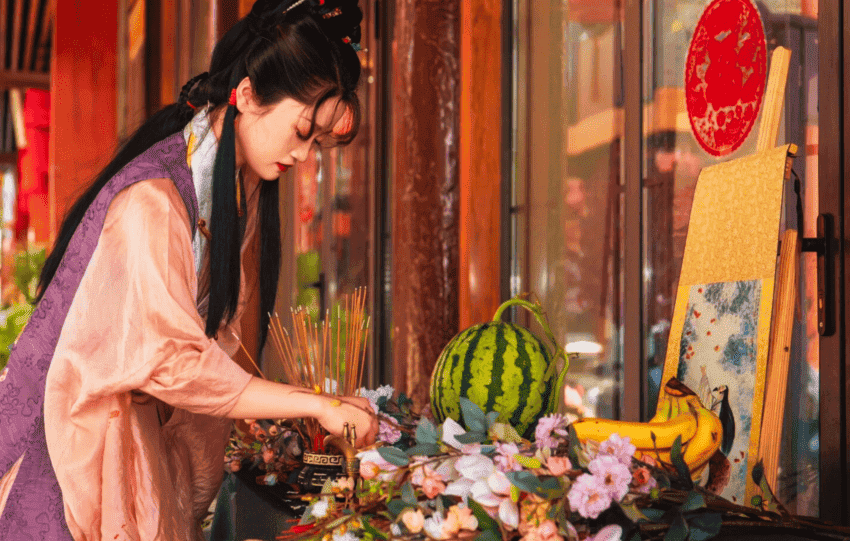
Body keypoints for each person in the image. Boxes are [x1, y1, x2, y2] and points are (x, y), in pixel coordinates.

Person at [0, 0, 378, 539]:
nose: (303, 157)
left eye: (315, 142)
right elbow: (172, 360)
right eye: (300, 132)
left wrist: (296, 407)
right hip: (63, 450)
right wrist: (312, 404)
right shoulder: (154, 199)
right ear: (247, 94)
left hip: (117, 430)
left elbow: (206, 354)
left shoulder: (223, 187)